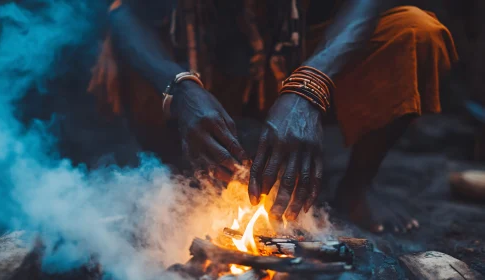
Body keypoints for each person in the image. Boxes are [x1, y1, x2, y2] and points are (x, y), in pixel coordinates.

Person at [88, 0, 458, 233]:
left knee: (415, 32)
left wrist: (309, 85)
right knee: (127, 50)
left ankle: (356, 188)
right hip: (205, 66)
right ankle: (178, 185)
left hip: (301, 52)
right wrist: (180, 88)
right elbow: (127, 14)